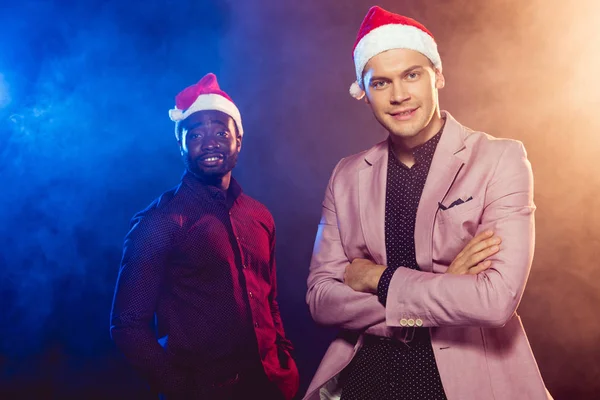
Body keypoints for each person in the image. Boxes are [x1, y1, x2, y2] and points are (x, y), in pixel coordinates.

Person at [304, 6, 552, 400]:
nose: (399, 95)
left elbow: (494, 301)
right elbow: (321, 300)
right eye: (381, 82)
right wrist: (445, 287)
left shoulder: (499, 159)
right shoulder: (346, 175)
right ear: (364, 94)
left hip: (465, 382)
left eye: (412, 75)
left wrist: (377, 279)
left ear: (437, 75)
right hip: (365, 382)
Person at [110, 73, 299, 400]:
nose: (209, 142)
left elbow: (269, 300)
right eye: (195, 134)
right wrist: (181, 389)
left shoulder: (259, 216)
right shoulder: (160, 221)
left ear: (239, 139)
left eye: (220, 132)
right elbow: (127, 326)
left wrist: (285, 363)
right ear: (180, 144)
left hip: (268, 387)